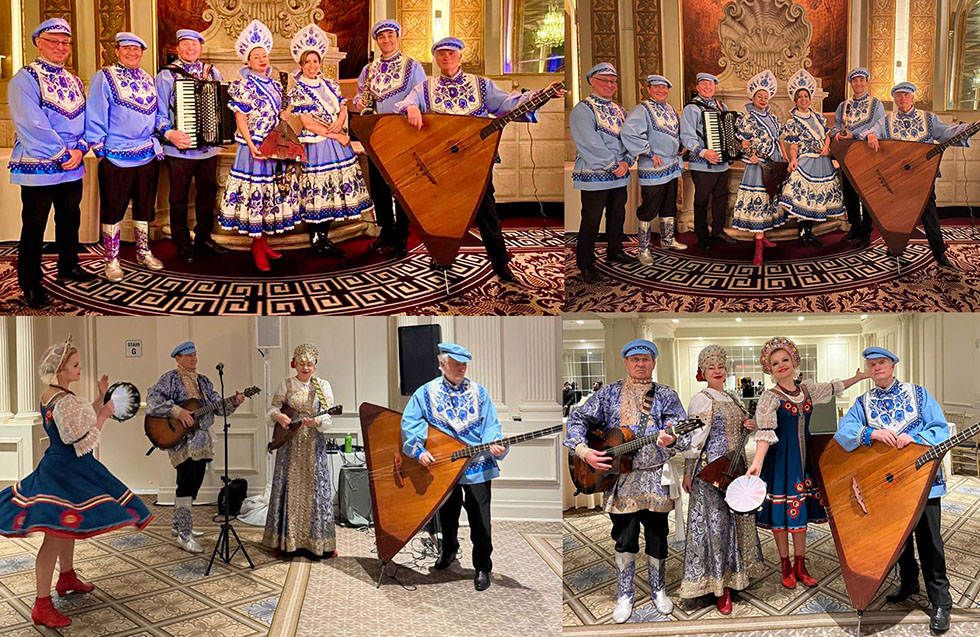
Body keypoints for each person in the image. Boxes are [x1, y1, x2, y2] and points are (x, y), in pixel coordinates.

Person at [0, 336, 152, 628]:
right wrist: (106, 413)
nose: (80, 369)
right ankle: (42, 605)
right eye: (75, 365)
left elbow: (79, 421)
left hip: (63, 465)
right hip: (67, 469)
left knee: (67, 522)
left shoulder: (53, 394)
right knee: (55, 533)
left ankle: (67, 577)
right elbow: (82, 438)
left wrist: (100, 398)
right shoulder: (64, 400)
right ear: (60, 369)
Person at [397, 38, 563, 283]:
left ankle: (501, 264)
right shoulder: (425, 87)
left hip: (477, 160)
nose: (446, 57)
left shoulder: (481, 85)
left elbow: (509, 104)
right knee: (441, 212)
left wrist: (542, 95)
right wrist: (411, 108)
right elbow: (407, 102)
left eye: (451, 53)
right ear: (436, 58)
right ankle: (440, 256)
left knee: (487, 211)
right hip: (442, 161)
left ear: (460, 57)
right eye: (441, 54)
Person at [564, 339, 691, 623]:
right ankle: (625, 593)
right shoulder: (608, 394)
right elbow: (577, 419)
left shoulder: (667, 396)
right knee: (625, 536)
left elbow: (684, 437)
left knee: (658, 536)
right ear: (626, 362)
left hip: (655, 478)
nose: (641, 364)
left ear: (653, 363)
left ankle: (658, 589)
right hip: (619, 480)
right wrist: (584, 452)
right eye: (635, 360)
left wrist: (672, 438)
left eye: (646, 359)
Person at [834, 347, 952, 632]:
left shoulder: (919, 394)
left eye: (882, 362)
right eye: (871, 364)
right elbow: (843, 431)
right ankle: (908, 584)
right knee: (896, 540)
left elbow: (940, 429)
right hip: (889, 486)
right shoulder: (863, 402)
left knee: (930, 541)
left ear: (893, 365)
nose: (877, 367)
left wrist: (912, 439)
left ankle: (941, 602)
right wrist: (871, 433)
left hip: (923, 482)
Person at [746, 337, 868, 589]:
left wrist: (858, 378)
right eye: (775, 362)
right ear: (769, 368)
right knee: (782, 516)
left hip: (803, 463)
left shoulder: (807, 390)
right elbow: (765, 432)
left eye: (785, 360)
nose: (781, 365)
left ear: (794, 360)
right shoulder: (770, 397)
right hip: (780, 463)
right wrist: (757, 463)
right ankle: (785, 565)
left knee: (799, 512)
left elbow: (834, 387)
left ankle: (800, 564)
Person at [401, 343, 509, 591]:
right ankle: (448, 550)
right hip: (443, 466)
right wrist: (418, 450)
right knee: (446, 515)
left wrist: (495, 444)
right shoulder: (425, 393)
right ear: (442, 364)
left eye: (464, 364)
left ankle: (482, 566)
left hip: (477, 464)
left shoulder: (479, 392)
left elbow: (491, 424)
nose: (461, 368)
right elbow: (411, 422)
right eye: (456, 364)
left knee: (481, 520)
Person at [8, 18, 97, 309]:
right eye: (54, 41)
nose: (61, 47)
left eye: (65, 43)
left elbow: (85, 118)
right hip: (40, 163)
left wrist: (81, 148)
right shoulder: (25, 78)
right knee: (34, 225)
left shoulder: (72, 80)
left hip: (73, 161)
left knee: (70, 218)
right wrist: (62, 154)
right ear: (38, 43)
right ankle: (30, 283)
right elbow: (31, 123)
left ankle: (68, 265)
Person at [679, 345, 762, 614]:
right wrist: (687, 472)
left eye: (720, 366)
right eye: (711, 367)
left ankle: (733, 576)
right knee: (715, 527)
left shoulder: (732, 398)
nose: (717, 371)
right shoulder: (701, 398)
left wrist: (748, 426)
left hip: (735, 470)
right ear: (702, 372)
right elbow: (694, 441)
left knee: (732, 524)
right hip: (712, 474)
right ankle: (718, 586)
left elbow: (739, 433)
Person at [862, 82, 977, 268]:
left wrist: (968, 128)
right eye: (898, 95)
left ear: (912, 97)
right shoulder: (887, 120)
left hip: (923, 175)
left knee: (928, 211)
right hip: (898, 176)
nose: (902, 98)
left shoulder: (928, 119)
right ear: (894, 99)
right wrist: (871, 136)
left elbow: (947, 132)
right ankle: (894, 247)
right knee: (896, 213)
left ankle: (939, 252)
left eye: (906, 95)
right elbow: (872, 130)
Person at [146, 341, 244, 553]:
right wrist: (177, 412)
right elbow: (153, 400)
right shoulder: (169, 379)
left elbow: (219, 407)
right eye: (188, 355)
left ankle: (178, 525)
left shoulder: (204, 381)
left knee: (194, 483)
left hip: (202, 441)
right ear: (178, 358)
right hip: (182, 441)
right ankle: (184, 534)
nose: (193, 358)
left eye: (195, 354)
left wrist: (234, 402)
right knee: (187, 483)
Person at [218, 19, 299, 272]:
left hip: (273, 147)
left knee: (268, 196)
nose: (262, 59)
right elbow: (240, 117)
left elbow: (279, 113)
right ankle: (255, 246)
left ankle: (263, 242)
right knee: (255, 195)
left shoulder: (275, 84)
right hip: (252, 149)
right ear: (248, 61)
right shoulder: (243, 85)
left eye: (264, 55)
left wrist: (285, 115)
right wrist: (252, 145)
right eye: (256, 56)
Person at [288, 24, 373, 258]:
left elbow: (343, 108)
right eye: (308, 62)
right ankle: (316, 239)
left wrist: (341, 120)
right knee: (319, 192)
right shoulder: (299, 90)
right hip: (318, 145)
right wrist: (336, 133)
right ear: (301, 65)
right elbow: (308, 123)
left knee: (333, 191)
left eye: (316, 61)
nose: (313, 66)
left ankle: (324, 237)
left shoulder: (329, 84)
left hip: (336, 144)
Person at [85, 31, 164, 282]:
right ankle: (112, 259)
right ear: (117, 51)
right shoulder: (104, 77)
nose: (132, 53)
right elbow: (95, 114)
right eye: (126, 49)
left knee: (145, 206)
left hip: (147, 153)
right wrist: (100, 152)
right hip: (116, 155)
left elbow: (157, 114)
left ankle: (143, 251)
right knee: (113, 209)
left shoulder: (148, 78)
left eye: (137, 49)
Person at [154, 28, 228, 264]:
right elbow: (158, 113)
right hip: (179, 148)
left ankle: (203, 238)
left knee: (208, 193)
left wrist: (221, 133)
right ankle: (182, 241)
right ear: (177, 48)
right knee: (178, 197)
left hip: (209, 150)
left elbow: (221, 105)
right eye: (185, 44)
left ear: (200, 47)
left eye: (194, 45)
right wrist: (169, 133)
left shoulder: (212, 72)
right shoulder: (167, 75)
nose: (190, 49)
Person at [352, 19, 425, 258]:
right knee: (380, 186)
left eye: (390, 35)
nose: (387, 40)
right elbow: (360, 97)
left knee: (401, 186)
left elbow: (422, 98)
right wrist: (359, 102)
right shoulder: (368, 69)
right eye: (382, 37)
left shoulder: (413, 66)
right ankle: (385, 231)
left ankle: (401, 234)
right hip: (376, 134)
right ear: (377, 41)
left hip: (403, 134)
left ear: (397, 37)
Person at [264, 343, 337, 557]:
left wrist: (318, 422)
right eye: (302, 363)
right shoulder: (286, 385)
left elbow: (329, 415)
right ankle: (287, 541)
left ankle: (317, 542)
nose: (306, 367)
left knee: (314, 490)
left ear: (315, 365)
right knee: (289, 488)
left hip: (313, 444)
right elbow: (272, 409)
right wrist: (278, 416)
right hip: (290, 444)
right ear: (294, 364)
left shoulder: (322, 386)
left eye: (310, 364)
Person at [569, 63, 632, 283]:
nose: (610, 85)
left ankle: (615, 251)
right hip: (595, 175)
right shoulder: (582, 109)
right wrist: (613, 165)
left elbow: (628, 138)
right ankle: (586, 264)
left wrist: (625, 161)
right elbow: (589, 143)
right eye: (604, 80)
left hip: (620, 173)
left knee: (617, 216)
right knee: (591, 221)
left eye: (613, 81)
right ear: (591, 81)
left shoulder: (619, 110)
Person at [621, 74, 687, 265]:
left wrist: (681, 147)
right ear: (648, 89)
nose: (661, 90)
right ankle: (643, 249)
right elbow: (629, 132)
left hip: (672, 166)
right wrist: (648, 153)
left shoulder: (671, 110)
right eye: (656, 87)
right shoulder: (642, 110)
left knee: (669, 204)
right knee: (649, 208)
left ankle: (667, 240)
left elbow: (676, 133)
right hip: (654, 166)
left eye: (664, 87)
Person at [779, 69, 844, 246]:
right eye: (799, 97)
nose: (803, 99)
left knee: (816, 198)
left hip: (822, 160)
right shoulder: (793, 121)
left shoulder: (818, 118)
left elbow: (827, 135)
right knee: (804, 196)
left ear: (810, 99)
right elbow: (794, 145)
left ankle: (809, 231)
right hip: (806, 159)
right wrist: (793, 160)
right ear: (795, 100)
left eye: (806, 96)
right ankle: (802, 231)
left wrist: (826, 146)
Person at [732, 70, 785, 266]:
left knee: (769, 200)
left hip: (773, 164)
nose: (763, 100)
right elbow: (744, 143)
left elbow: (778, 141)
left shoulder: (773, 118)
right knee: (758, 203)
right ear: (752, 98)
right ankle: (758, 248)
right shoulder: (746, 119)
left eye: (765, 97)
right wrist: (750, 156)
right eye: (759, 96)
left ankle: (764, 238)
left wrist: (785, 160)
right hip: (757, 166)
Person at [680, 72, 738, 251]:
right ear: (697, 87)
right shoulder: (692, 108)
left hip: (722, 164)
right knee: (702, 201)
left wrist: (731, 151)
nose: (707, 87)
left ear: (715, 86)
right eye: (703, 84)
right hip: (702, 164)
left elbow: (729, 131)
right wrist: (704, 152)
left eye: (710, 84)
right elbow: (687, 136)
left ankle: (718, 231)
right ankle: (702, 234)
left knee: (721, 198)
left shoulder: (722, 106)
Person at [830, 68, 885, 247]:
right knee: (850, 192)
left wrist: (854, 135)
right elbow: (836, 126)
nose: (858, 83)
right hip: (847, 154)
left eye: (862, 80)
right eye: (855, 80)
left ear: (867, 82)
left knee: (866, 193)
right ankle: (855, 226)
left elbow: (878, 127)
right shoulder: (843, 105)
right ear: (851, 83)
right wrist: (838, 135)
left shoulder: (876, 104)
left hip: (866, 154)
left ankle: (867, 231)